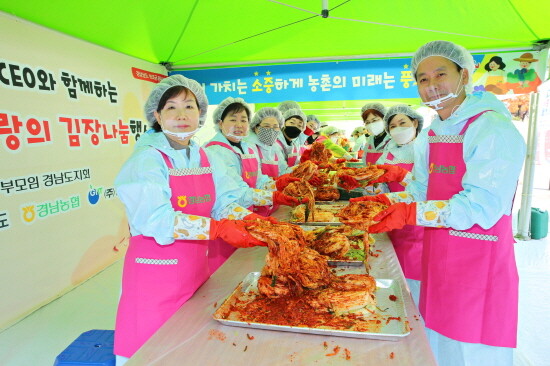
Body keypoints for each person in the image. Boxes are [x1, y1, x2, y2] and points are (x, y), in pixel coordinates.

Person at [362, 40, 525, 366]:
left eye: (440, 74)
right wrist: (384, 202)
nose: (432, 85)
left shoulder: (490, 127)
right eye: (422, 79)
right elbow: (420, 188)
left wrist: (409, 212)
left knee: (471, 353)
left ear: (464, 74)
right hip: (438, 258)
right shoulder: (436, 130)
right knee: (436, 346)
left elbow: (481, 205)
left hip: (478, 262)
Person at [113, 75, 267, 364]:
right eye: (171, 108)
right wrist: (218, 228)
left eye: (189, 107)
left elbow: (222, 203)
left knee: (188, 347)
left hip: (194, 266)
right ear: (157, 116)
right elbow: (155, 220)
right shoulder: (147, 159)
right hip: (154, 274)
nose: (181, 115)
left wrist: (261, 225)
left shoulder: (202, 156)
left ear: (201, 114)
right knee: (150, 350)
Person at [204, 97, 302, 270]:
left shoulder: (246, 148)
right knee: (228, 275)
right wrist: (273, 196)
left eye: (244, 120)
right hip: (228, 222)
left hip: (247, 216)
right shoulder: (215, 151)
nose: (239, 124)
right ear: (220, 123)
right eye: (233, 120)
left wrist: (278, 186)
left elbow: (259, 180)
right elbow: (237, 193)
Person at [351, 104, 424, 303]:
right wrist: (371, 190)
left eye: (403, 123)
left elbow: (426, 190)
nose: (398, 129)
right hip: (390, 218)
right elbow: (380, 181)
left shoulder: (426, 148)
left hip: (417, 223)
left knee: (414, 283)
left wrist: (403, 177)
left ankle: (415, 316)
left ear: (415, 123)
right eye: (393, 126)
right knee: (393, 273)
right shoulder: (390, 149)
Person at [245, 107, 289, 215]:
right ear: (256, 128)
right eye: (266, 126)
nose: (271, 130)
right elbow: (257, 180)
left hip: (274, 204)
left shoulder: (275, 148)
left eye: (275, 127)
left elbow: (283, 171)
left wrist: (299, 171)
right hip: (254, 206)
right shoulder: (249, 147)